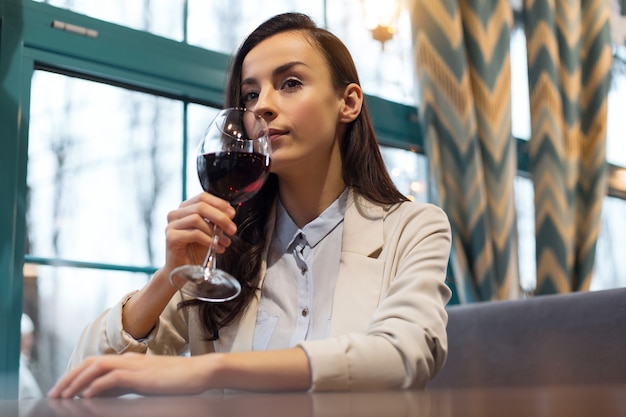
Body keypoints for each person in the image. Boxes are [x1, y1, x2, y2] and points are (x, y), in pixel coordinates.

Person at [48, 12, 452, 398]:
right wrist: (168, 276)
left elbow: (405, 355)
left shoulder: (414, 227)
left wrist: (211, 370)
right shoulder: (225, 246)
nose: (261, 106)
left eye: (291, 83)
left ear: (347, 103)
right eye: (251, 94)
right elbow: (83, 378)